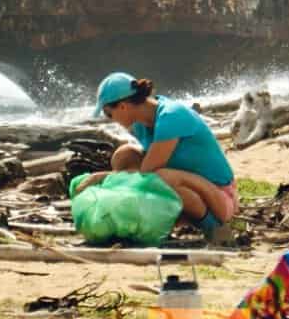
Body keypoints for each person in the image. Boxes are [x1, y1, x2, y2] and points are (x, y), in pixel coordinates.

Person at [77, 71, 238, 244]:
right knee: (124, 155)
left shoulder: (171, 116)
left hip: (219, 198)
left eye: (109, 114)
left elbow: (147, 174)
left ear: (123, 106)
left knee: (162, 178)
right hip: (189, 190)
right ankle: (160, 222)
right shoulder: (141, 125)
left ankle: (214, 227)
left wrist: (99, 178)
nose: (111, 119)